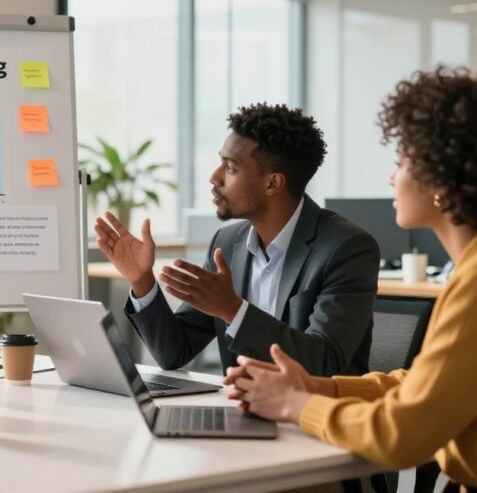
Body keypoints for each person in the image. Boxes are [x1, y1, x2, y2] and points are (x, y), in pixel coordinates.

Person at [227, 68, 477, 491]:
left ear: (442, 179)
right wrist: (322, 387)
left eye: (401, 163)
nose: (392, 178)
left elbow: (403, 435)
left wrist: (296, 403)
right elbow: (423, 386)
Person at [95, 103, 379, 376]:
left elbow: (324, 361)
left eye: (230, 168)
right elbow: (174, 352)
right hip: (242, 412)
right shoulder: (228, 243)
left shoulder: (346, 248)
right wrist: (141, 280)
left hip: (316, 418)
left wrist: (232, 309)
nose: (214, 177)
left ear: (272, 183)